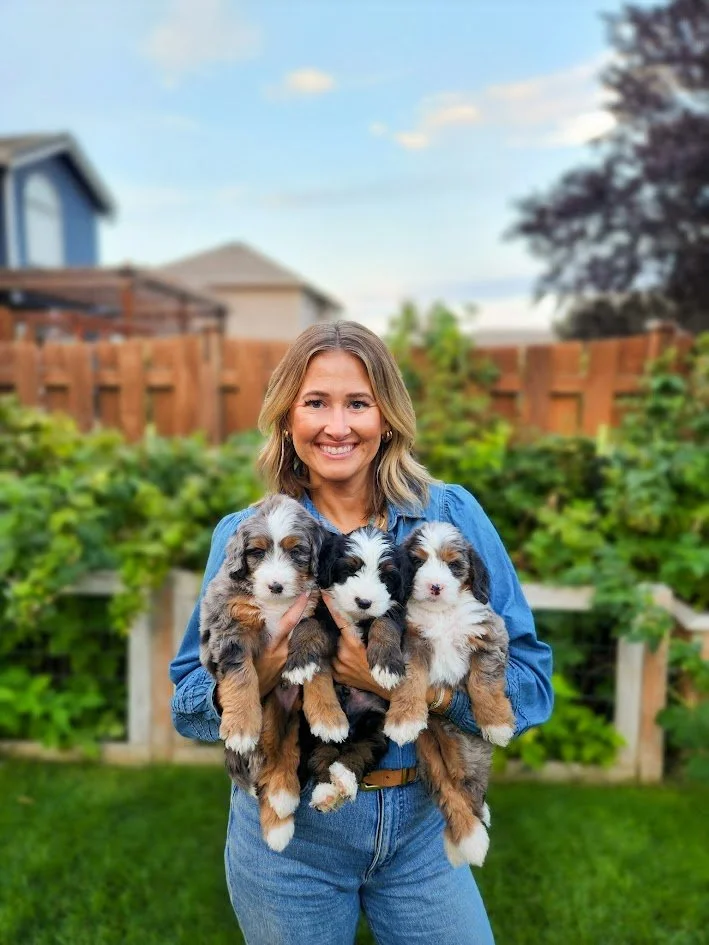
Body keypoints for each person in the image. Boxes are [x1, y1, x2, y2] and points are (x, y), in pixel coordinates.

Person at [170, 320, 553, 945]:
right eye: (316, 402)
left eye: (359, 403)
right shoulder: (247, 532)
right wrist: (267, 668)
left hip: (420, 825)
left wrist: (417, 690)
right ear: (287, 418)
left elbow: (532, 686)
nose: (337, 425)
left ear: (388, 417)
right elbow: (187, 702)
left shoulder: (449, 513)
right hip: (293, 846)